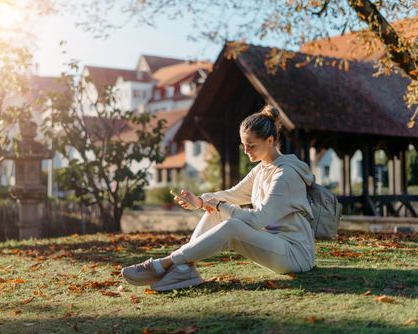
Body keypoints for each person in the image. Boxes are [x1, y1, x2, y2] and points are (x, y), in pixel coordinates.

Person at [121, 105, 316, 291]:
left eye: (251, 146)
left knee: (231, 225)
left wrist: (221, 205)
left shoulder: (285, 174)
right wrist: (201, 202)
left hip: (295, 254)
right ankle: (184, 269)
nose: (246, 151)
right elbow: (233, 194)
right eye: (243, 145)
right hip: (273, 245)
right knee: (216, 211)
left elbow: (259, 219)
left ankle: (166, 263)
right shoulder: (262, 170)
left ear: (270, 140)